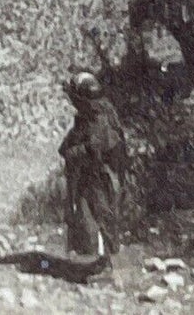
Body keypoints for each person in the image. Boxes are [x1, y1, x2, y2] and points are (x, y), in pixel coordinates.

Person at [59, 72, 127, 266]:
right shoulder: (91, 113)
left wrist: (73, 152)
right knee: (88, 214)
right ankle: (100, 261)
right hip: (92, 173)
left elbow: (98, 144)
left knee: (100, 216)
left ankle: (105, 265)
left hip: (100, 174)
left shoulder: (100, 116)